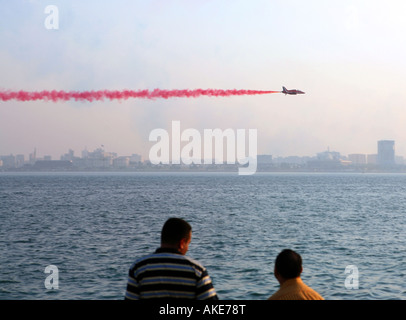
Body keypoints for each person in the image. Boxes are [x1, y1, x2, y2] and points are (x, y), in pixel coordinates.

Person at [125, 217, 218, 300]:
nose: (188, 248)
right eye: (188, 243)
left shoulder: (138, 267)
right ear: (182, 243)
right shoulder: (197, 270)